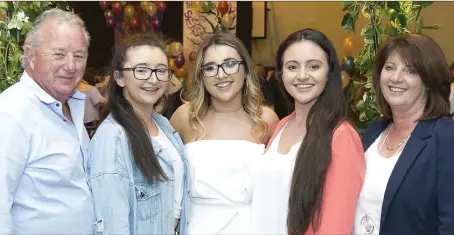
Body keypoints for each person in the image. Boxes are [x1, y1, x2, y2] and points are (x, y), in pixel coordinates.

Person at [0, 9, 94, 234]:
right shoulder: (11, 113)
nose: (71, 65)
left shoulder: (70, 105)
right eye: (59, 54)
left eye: (79, 55)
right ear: (31, 56)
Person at [249, 28, 365, 235]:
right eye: (292, 67)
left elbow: (335, 227)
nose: (302, 76)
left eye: (314, 66)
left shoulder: (341, 136)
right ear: (281, 74)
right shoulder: (282, 125)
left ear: (329, 73)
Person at [170, 32, 279, 234]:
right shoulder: (185, 117)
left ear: (245, 69)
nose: (221, 75)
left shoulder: (267, 120)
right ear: (201, 76)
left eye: (230, 64)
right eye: (210, 67)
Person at [354, 33, 454, 235]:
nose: (396, 78)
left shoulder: (449, 139)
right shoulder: (374, 132)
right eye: (390, 67)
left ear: (429, 80)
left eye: (410, 71)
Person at [88, 33, 190, 235]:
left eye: (161, 70)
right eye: (141, 70)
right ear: (119, 77)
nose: (153, 79)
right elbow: (112, 225)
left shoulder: (164, 126)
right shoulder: (112, 138)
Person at [77, 68, 107, 137]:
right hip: (90, 123)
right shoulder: (91, 89)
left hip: (79, 121)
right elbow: (102, 101)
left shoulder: (74, 89)